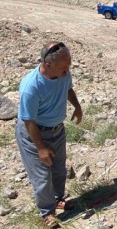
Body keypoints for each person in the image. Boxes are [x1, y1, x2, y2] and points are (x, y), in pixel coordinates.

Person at [15, 42, 82, 227]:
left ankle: (58, 199)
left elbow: (68, 88)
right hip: (33, 134)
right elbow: (29, 121)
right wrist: (41, 148)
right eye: (63, 67)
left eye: (68, 66)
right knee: (42, 175)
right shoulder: (31, 86)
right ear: (48, 64)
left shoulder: (63, 74)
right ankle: (47, 212)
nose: (67, 70)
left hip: (57, 130)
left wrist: (77, 106)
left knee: (59, 169)